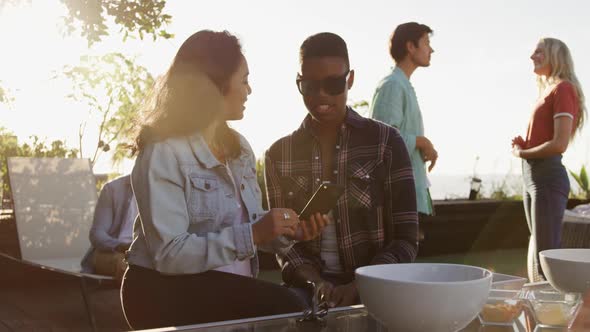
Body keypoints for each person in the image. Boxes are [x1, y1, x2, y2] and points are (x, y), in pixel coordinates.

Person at [121, 30, 328, 330]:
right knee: (293, 306)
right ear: (215, 85)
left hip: (226, 287)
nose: (249, 90)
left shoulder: (239, 148)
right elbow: (169, 254)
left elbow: (249, 224)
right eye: (243, 80)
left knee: (306, 304)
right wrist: (254, 234)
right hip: (162, 292)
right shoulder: (163, 153)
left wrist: (286, 231)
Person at [264, 32, 419, 308]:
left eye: (333, 84)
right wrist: (316, 284)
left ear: (350, 79)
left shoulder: (386, 143)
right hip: (306, 295)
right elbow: (285, 245)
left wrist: (361, 284)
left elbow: (405, 239)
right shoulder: (278, 155)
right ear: (299, 83)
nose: (321, 95)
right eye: (310, 86)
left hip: (378, 292)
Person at [511, 38, 586, 282]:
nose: (532, 57)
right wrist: (525, 145)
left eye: (539, 52)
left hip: (547, 178)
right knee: (538, 254)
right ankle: (544, 313)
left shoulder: (563, 89)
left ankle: (554, 315)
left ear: (555, 55)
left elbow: (559, 144)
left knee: (546, 259)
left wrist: (522, 153)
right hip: (532, 177)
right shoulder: (548, 90)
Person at [368, 22, 437, 216]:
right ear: (410, 46)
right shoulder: (392, 85)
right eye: (426, 42)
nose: (431, 49)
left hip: (408, 194)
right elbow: (383, 140)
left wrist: (421, 146)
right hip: (397, 199)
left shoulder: (401, 84)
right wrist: (421, 142)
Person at [81, 174, 136, 279]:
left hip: (147, 255)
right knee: (129, 267)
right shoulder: (113, 189)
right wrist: (120, 246)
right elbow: (97, 235)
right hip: (113, 252)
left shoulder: (165, 191)